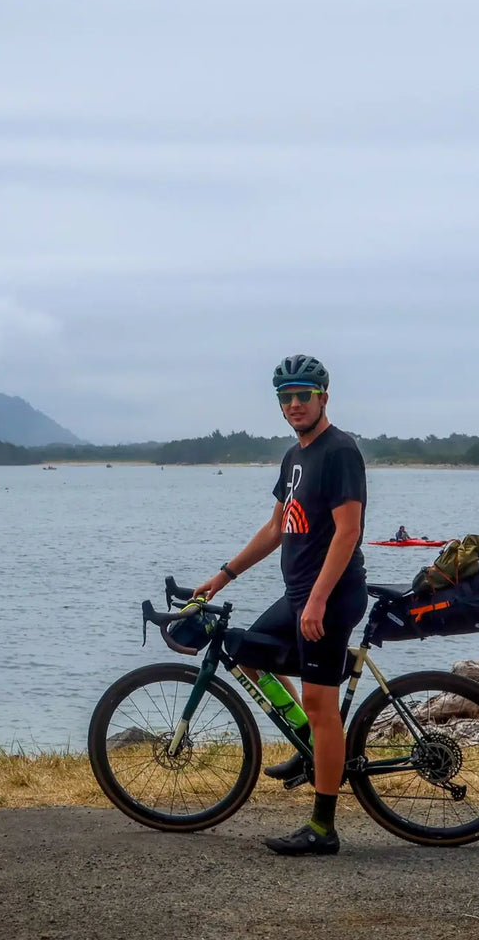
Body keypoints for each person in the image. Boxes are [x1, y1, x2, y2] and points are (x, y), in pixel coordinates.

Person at [195, 353, 367, 856]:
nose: (294, 405)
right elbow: (277, 528)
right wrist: (222, 577)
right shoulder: (295, 457)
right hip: (298, 595)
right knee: (249, 653)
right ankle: (310, 744)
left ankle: (322, 828)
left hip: (329, 597)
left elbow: (349, 531)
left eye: (303, 396)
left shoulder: (340, 451)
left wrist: (316, 600)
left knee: (320, 703)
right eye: (285, 397)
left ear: (323, 398)